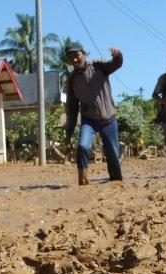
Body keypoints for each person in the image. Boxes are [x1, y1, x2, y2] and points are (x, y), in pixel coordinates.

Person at [64, 42, 124, 185]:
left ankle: (116, 182)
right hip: (89, 120)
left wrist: (118, 55)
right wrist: (69, 131)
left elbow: (116, 64)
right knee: (83, 146)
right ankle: (83, 181)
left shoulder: (98, 66)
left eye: (77, 55)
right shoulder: (72, 80)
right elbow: (72, 108)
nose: (74, 60)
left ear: (83, 54)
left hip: (108, 118)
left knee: (113, 155)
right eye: (70, 57)